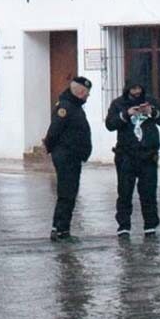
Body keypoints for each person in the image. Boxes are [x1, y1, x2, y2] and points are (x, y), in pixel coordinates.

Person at [105, 80, 160, 237]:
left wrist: (152, 112)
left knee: (148, 192)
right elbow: (110, 124)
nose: (136, 91)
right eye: (133, 88)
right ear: (128, 89)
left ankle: (150, 225)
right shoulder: (118, 103)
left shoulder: (152, 101)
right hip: (126, 154)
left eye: (139, 88)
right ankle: (124, 226)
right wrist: (126, 114)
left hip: (148, 154)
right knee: (125, 192)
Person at [44, 76, 93, 243]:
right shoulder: (65, 107)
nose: (87, 96)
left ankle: (60, 228)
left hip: (73, 156)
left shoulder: (74, 106)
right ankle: (60, 230)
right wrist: (52, 150)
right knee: (66, 194)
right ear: (79, 92)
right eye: (86, 93)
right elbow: (54, 131)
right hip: (66, 157)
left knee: (69, 193)